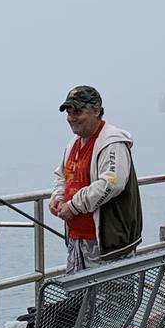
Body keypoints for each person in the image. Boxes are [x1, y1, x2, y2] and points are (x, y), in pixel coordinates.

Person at [49, 85, 143, 274]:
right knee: (80, 300)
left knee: (112, 301)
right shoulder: (73, 144)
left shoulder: (112, 142)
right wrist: (58, 197)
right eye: (68, 112)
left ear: (97, 110)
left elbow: (111, 183)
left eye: (77, 111)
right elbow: (63, 175)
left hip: (109, 246)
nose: (71, 117)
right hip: (77, 241)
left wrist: (73, 206)